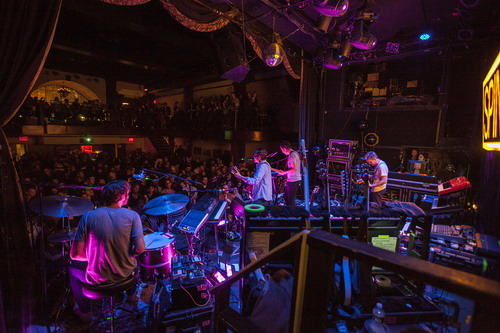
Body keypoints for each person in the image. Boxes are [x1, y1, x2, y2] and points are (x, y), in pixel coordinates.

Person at [69, 180, 145, 323]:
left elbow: (75, 254)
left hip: (98, 280)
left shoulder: (88, 216)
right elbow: (140, 249)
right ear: (122, 196)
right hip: (126, 276)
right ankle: (131, 296)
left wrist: (97, 256)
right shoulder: (132, 216)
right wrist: (125, 254)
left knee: (73, 269)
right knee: (136, 261)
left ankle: (85, 312)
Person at [278, 141, 302, 206]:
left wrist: (284, 172)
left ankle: (292, 213)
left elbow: (294, 169)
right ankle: (290, 211)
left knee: (291, 198)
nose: (282, 152)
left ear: (284, 148)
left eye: (282, 150)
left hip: (294, 180)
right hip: (292, 179)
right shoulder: (294, 153)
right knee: (287, 197)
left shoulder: (292, 155)